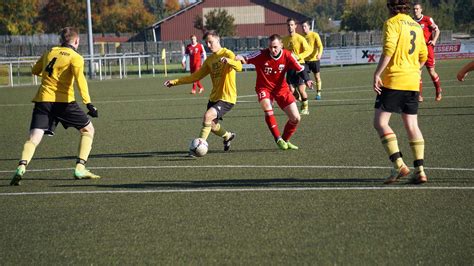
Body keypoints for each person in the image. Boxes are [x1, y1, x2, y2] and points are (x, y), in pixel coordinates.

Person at [10, 27, 100, 186]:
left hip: (43, 100)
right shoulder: (76, 57)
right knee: (88, 130)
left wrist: (51, 74)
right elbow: (81, 81)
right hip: (64, 102)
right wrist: (88, 103)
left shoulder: (49, 52)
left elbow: (35, 70)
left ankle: (21, 167)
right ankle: (80, 168)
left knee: (33, 138)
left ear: (61, 40)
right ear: (76, 41)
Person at [373, 0, 428, 184]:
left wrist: (377, 73)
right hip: (412, 81)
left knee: (380, 122)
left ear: (391, 7)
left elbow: (389, 50)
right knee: (412, 124)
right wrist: (413, 70)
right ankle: (420, 170)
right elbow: (424, 56)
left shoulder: (392, 23)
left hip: (394, 79)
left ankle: (399, 165)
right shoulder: (415, 25)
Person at [164, 30, 242, 154]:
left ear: (218, 40)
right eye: (207, 43)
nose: (209, 45)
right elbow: (195, 77)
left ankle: (198, 147)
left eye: (211, 42)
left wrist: (229, 62)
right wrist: (175, 82)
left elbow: (239, 67)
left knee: (207, 116)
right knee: (211, 125)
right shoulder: (209, 60)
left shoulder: (228, 53)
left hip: (227, 97)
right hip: (214, 97)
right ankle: (227, 136)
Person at [235, 34, 313, 150]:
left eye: (275, 47)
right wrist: (237, 57)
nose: (273, 50)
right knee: (267, 107)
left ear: (281, 45)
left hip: (282, 89)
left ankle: (285, 140)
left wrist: (307, 80)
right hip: (264, 88)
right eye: (271, 47)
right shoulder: (261, 54)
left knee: (296, 118)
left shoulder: (288, 55)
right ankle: (278, 138)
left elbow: (300, 68)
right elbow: (245, 59)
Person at [282, 18, 312, 115]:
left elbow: (308, 50)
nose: (290, 27)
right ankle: (301, 101)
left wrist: (298, 56)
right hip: (290, 67)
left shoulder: (300, 38)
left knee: (301, 89)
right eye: (288, 25)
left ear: (295, 26)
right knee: (291, 90)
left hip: (300, 65)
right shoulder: (284, 40)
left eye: (291, 25)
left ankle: (305, 108)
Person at [413, 2, 442, 102]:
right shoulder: (411, 21)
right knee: (417, 72)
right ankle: (419, 95)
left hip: (428, 49)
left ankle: (438, 90)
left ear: (421, 10)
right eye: (414, 9)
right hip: (417, 50)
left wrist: (434, 41)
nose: (415, 10)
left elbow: (437, 30)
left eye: (417, 9)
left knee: (431, 72)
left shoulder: (427, 19)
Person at [301, 20, 324, 100]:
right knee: (304, 77)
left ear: (309, 27)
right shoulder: (301, 37)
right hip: (305, 61)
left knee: (317, 77)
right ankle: (303, 95)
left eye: (305, 26)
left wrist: (320, 54)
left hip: (314, 60)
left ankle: (318, 93)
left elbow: (320, 46)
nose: (304, 28)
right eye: (302, 27)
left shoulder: (314, 35)